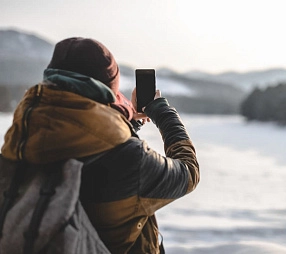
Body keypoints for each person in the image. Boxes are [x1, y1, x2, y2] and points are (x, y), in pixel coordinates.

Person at [1, 37, 199, 253]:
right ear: (108, 90)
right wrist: (163, 112)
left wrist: (126, 125)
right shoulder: (130, 161)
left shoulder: (19, 142)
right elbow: (188, 172)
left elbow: (80, 135)